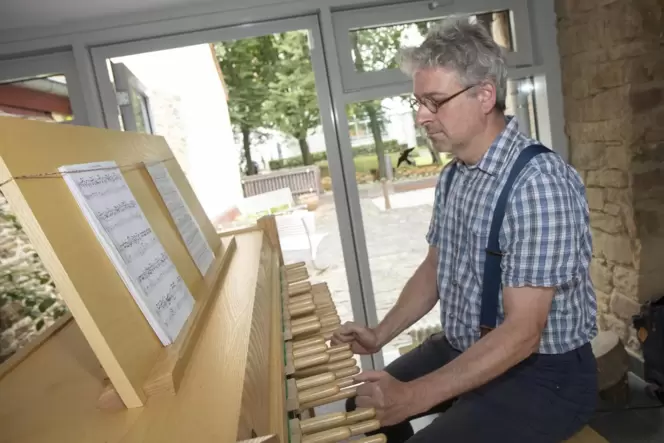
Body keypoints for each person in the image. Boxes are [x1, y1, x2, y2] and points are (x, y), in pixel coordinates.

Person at [331, 19, 598, 443]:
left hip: (545, 375)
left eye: (434, 101)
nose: (421, 116)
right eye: (417, 102)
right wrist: (379, 333)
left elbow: (523, 333)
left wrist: (414, 396)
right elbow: (435, 266)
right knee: (360, 408)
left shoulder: (539, 183)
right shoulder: (455, 175)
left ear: (485, 95)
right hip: (466, 345)